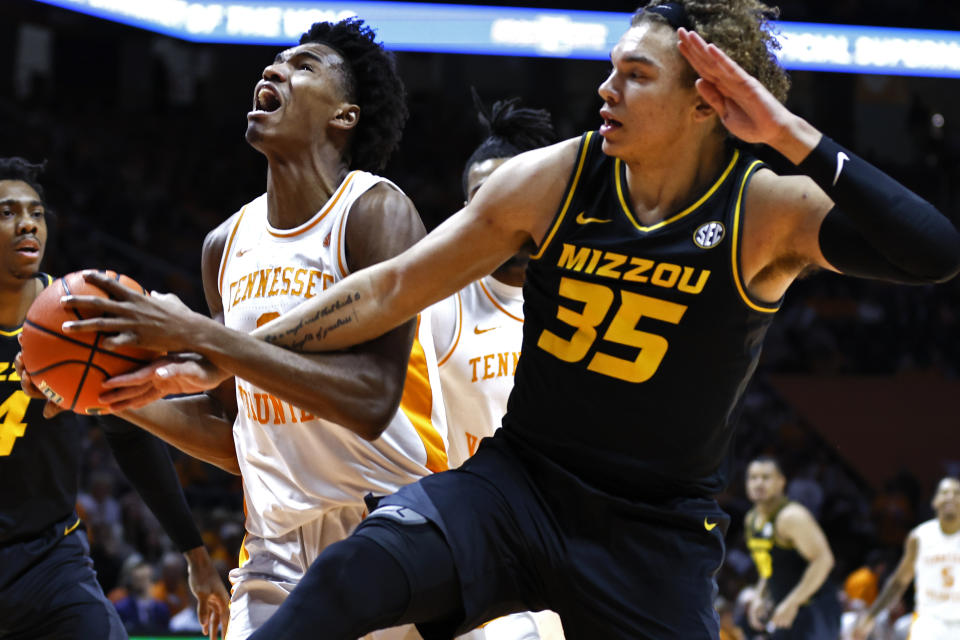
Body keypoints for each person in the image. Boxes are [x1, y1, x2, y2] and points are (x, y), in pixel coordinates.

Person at [50, 1, 960, 637]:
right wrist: (219, 354)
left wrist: (792, 133)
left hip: (655, 530)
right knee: (344, 583)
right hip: (519, 487)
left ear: (706, 101)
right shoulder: (559, 176)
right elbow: (385, 291)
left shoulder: (765, 206)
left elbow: (933, 251)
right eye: (609, 67)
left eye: (632, 75)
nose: (604, 88)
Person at [19, 18, 447, 640]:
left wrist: (198, 333)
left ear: (345, 116)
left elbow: (373, 400)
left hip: (387, 524)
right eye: (275, 61)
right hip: (272, 549)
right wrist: (111, 393)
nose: (275, 69)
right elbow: (238, 435)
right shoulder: (225, 244)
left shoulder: (374, 211)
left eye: (304, 66)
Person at [0, 157, 228, 640]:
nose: (27, 223)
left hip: (47, 561)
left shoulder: (77, 313)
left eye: (36, 213)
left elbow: (130, 432)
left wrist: (195, 554)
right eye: (7, 212)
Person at [431, 93, 563, 640]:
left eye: (510, 195)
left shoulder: (590, 295)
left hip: (579, 561)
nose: (495, 215)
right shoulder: (440, 305)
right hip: (488, 565)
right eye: (478, 202)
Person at [743, 456, 840, 638]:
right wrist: (760, 595)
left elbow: (824, 560)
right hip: (785, 609)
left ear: (781, 482)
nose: (759, 483)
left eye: (766, 477)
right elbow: (768, 567)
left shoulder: (792, 516)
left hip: (815, 609)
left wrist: (793, 602)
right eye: (753, 477)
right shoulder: (751, 519)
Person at [854, 477, 960, 640]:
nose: (950, 497)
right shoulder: (920, 537)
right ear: (935, 501)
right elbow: (899, 581)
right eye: (945, 492)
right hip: (928, 623)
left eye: (956, 493)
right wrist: (871, 615)